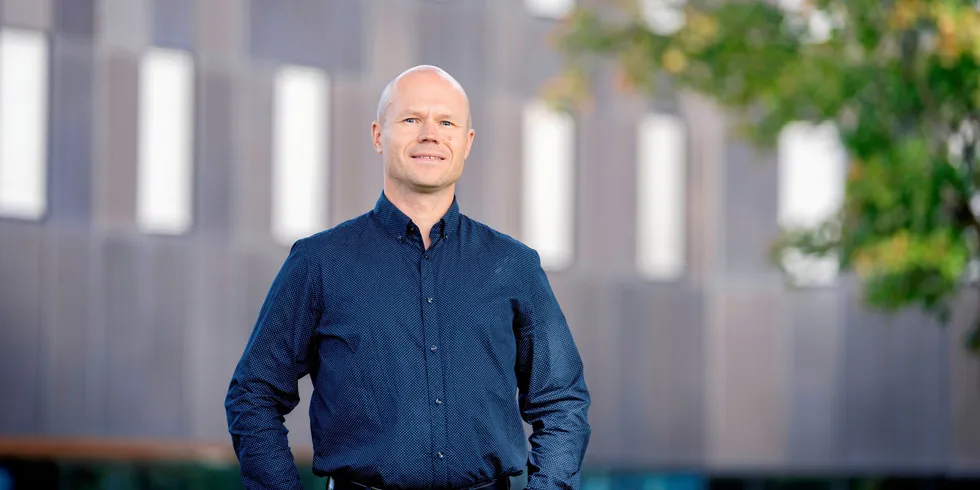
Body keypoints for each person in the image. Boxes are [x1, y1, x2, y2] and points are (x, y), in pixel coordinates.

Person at [224, 65, 591, 490]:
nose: (430, 134)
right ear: (379, 135)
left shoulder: (514, 266)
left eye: (447, 122)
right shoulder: (320, 262)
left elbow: (562, 400)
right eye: (412, 119)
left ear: (466, 142)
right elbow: (253, 394)